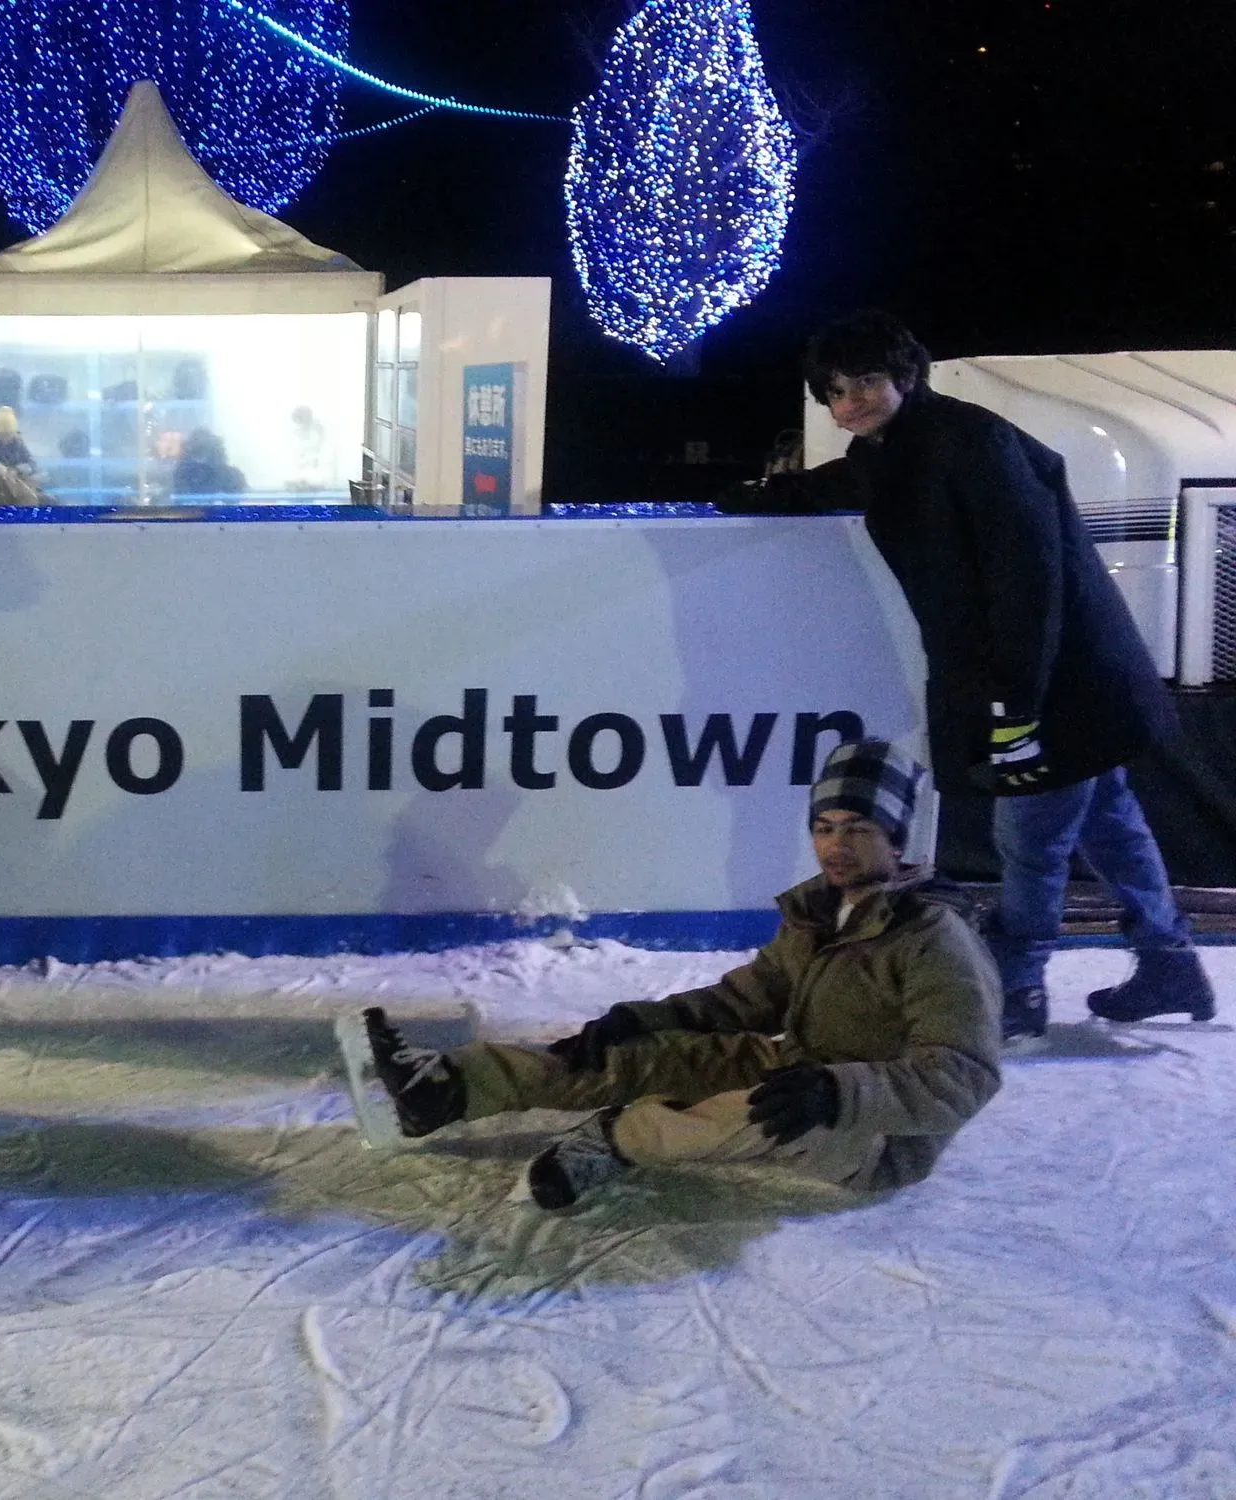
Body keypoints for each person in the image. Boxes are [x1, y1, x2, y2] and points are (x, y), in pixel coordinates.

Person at [720, 310, 1212, 1038]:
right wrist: (763, 494)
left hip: (1053, 681)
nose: (850, 402)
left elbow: (1029, 579)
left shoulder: (971, 443)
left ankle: (1017, 989)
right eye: (835, 391)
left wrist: (1016, 701)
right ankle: (1169, 962)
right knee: (1109, 819)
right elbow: (850, 483)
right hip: (1059, 679)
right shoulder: (902, 444)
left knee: (1032, 837)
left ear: (906, 376)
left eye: (865, 382)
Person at [338, 741, 1003, 1212]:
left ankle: (615, 1139)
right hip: (799, 1067)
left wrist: (839, 1092)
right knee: (630, 1055)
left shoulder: (934, 940)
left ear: (899, 841)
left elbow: (964, 1075)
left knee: (754, 1112)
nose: (835, 844)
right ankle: (446, 1088)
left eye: (858, 828)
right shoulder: (822, 911)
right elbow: (752, 997)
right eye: (824, 826)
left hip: (872, 1133)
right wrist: (644, 1020)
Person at [171, 428, 246, 498]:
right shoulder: (179, 476)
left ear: (216, 451)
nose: (201, 462)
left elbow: (243, 502)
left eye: (205, 450)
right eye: (197, 452)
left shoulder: (233, 476)